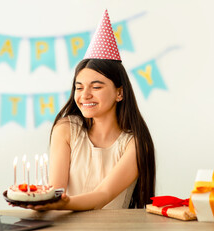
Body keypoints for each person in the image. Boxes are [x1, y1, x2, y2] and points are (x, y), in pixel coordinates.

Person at [14, 10, 155, 211]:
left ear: (119, 93)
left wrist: (60, 202)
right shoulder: (66, 129)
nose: (84, 95)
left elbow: (103, 195)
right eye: (79, 87)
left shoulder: (136, 144)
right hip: (66, 227)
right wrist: (44, 199)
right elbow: (56, 189)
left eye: (96, 87)